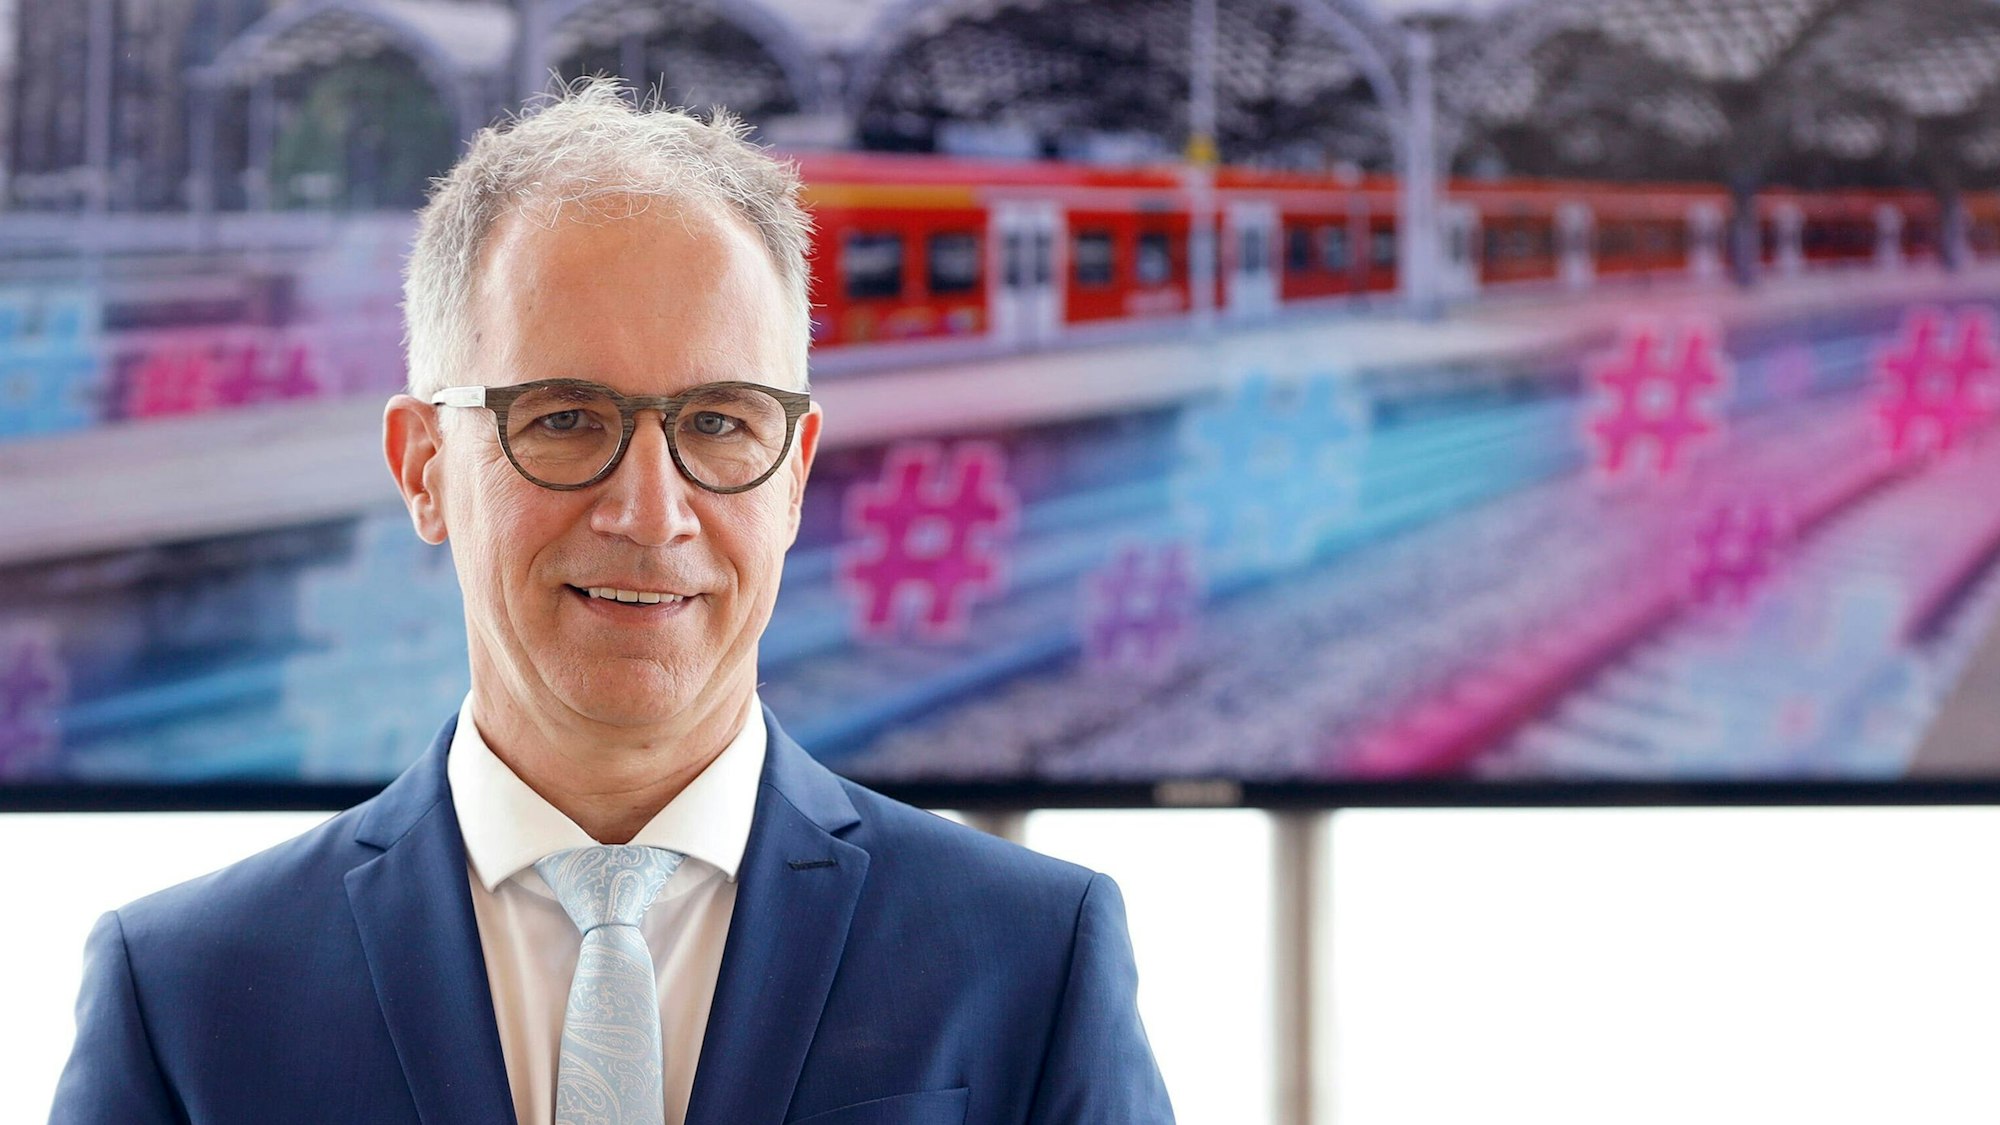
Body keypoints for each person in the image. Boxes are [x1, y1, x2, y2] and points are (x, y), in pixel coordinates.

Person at [50, 79, 1174, 1125]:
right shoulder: (186, 999)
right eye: (563, 419)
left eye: (720, 424)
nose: (650, 511)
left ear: (793, 474)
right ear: (424, 468)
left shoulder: (1030, 960)